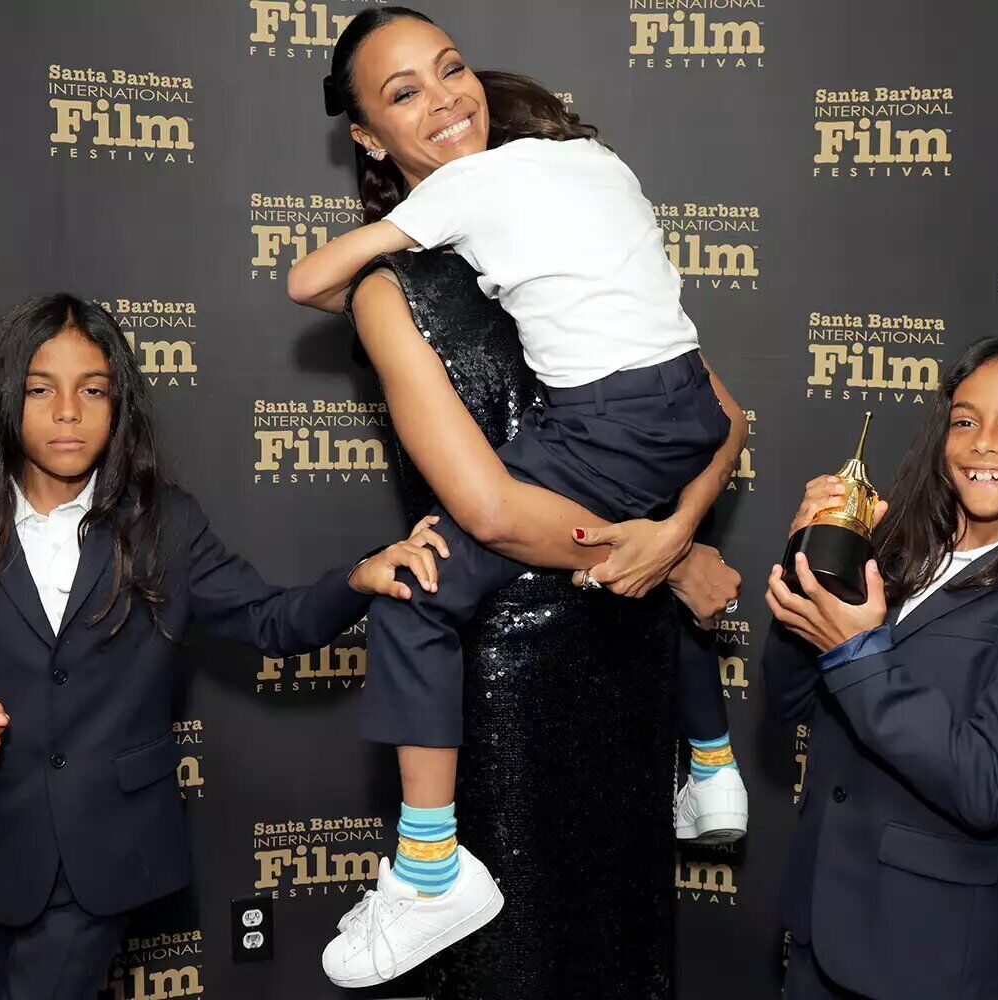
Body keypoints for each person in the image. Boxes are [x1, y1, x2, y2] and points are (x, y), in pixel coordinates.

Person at [297, 7, 747, 987]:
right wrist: (656, 551)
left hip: (627, 658)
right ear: (368, 135)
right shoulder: (387, 286)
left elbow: (719, 415)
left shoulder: (565, 215)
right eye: (403, 91)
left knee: (623, 954)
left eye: (449, 69)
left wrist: (672, 535)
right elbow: (493, 510)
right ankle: (428, 872)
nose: (444, 97)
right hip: (503, 674)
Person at [0, 294, 444, 1000]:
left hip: (103, 854)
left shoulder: (164, 526)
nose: (67, 412)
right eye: (40, 389)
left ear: (119, 405)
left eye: (93, 390)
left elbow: (271, 620)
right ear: (3, 399)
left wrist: (356, 580)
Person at [763, 335, 998, 999]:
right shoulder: (897, 554)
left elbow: (985, 784)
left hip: (923, 962)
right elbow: (788, 702)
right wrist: (810, 565)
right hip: (821, 930)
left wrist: (857, 652)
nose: (984, 443)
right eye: (965, 420)